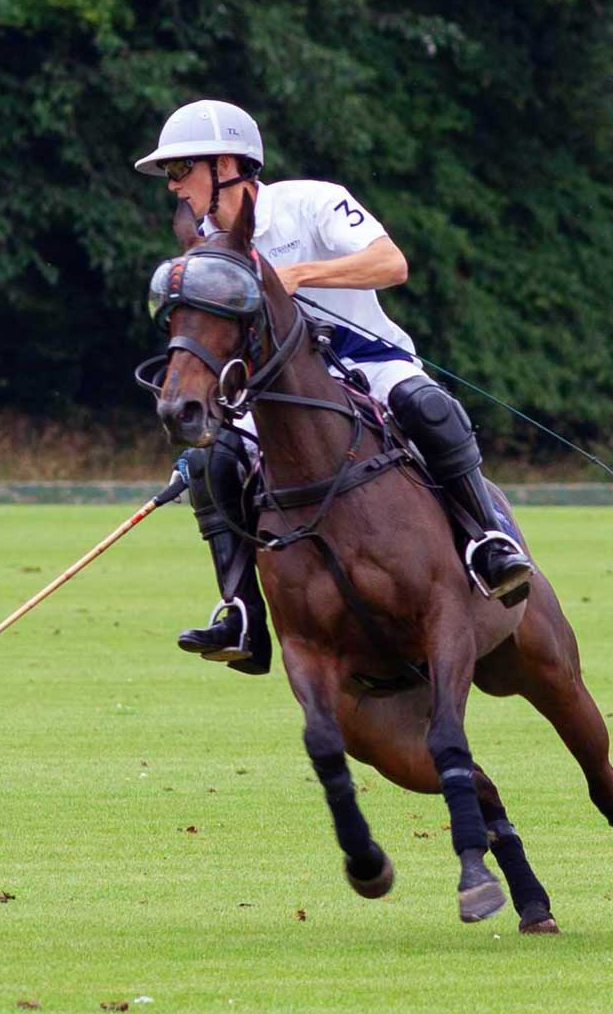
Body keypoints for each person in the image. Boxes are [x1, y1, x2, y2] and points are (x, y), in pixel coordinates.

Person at [134, 99, 532, 675]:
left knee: (429, 408)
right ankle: (241, 609)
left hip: (367, 361)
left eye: (180, 171)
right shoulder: (206, 247)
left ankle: (489, 542)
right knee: (210, 462)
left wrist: (295, 276)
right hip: (279, 386)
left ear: (226, 164)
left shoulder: (311, 201)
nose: (173, 187)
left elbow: (390, 264)